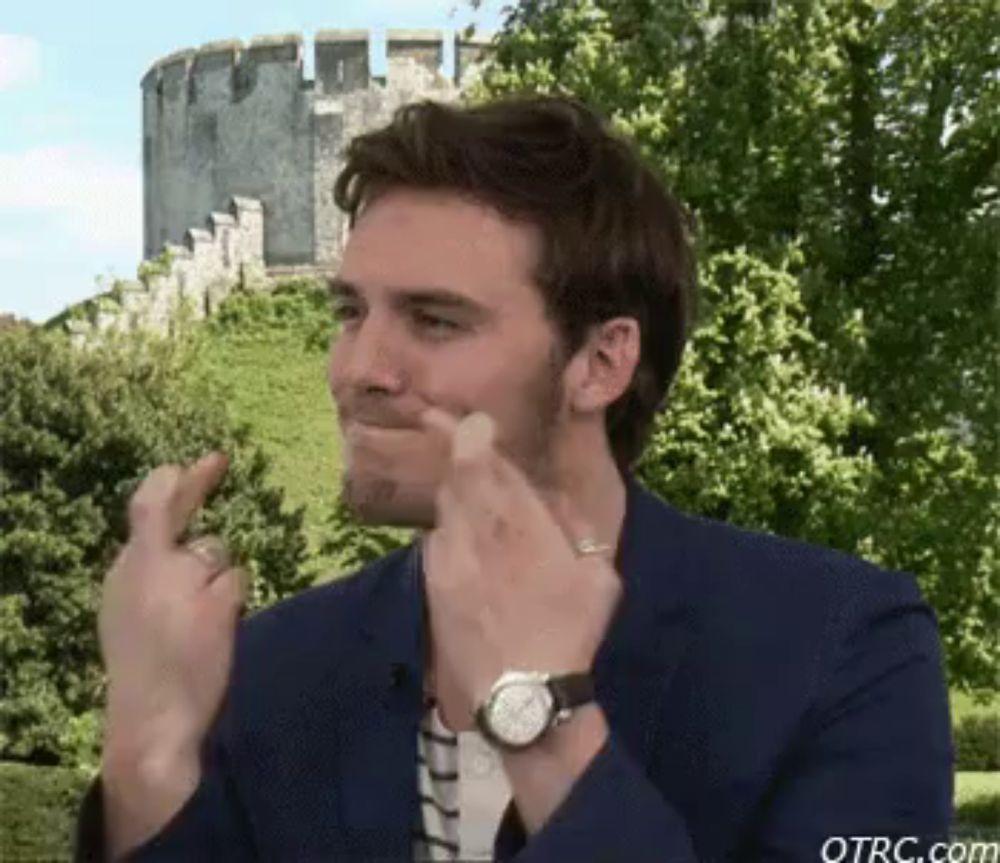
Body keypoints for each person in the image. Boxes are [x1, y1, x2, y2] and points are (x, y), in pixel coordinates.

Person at [75, 95, 953, 862]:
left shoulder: (842, 649)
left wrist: (544, 717)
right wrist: (149, 744)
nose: (356, 368)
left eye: (435, 319)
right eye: (350, 312)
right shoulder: (271, 669)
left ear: (600, 362)